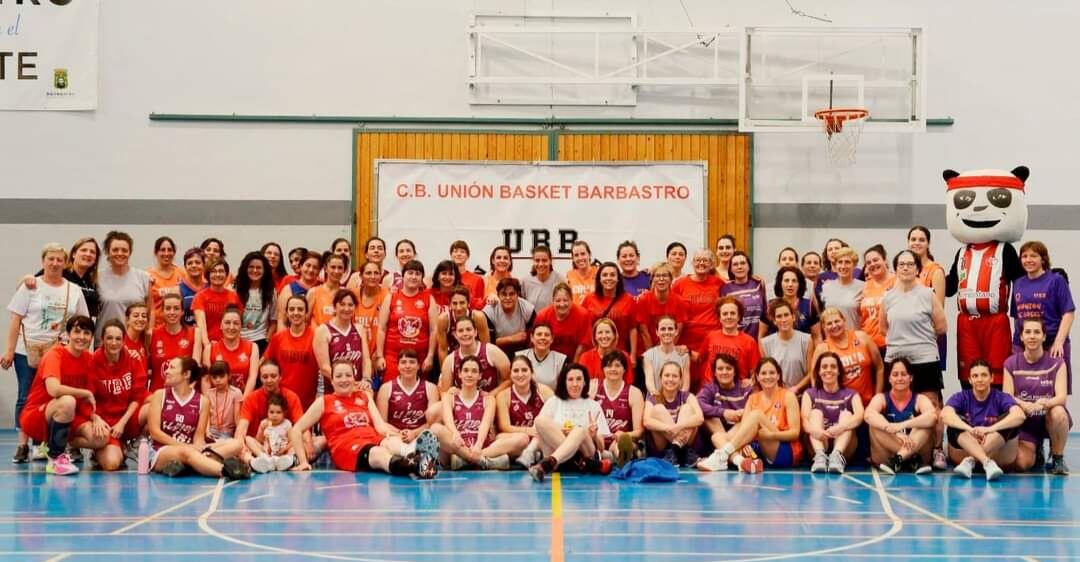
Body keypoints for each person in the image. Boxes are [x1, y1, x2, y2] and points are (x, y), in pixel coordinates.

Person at [4, 243, 90, 462]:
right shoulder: (30, 286)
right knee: (25, 396)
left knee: (56, 397)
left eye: (59, 259)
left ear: (65, 263)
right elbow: (15, 319)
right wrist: (9, 351)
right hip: (27, 351)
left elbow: (83, 321)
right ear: (43, 261)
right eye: (50, 259)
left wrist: (81, 351)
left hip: (58, 352)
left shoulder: (73, 290)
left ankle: (45, 444)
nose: (54, 263)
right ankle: (23, 445)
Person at [290, 360, 439, 477]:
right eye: (339, 376)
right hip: (347, 447)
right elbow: (296, 430)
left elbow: (380, 426)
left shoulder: (364, 396)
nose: (344, 379)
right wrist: (303, 461)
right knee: (378, 453)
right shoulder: (324, 401)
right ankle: (415, 466)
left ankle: (414, 453)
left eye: (348, 375)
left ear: (354, 378)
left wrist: (397, 434)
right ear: (332, 381)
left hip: (372, 437)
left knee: (390, 442)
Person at [880, 249, 948, 469]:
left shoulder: (927, 294)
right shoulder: (888, 297)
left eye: (910, 264)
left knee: (932, 407)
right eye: (901, 264)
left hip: (924, 358)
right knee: (896, 406)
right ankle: (906, 452)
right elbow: (883, 328)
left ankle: (937, 450)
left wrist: (919, 340)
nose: (906, 268)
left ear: (918, 268)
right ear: (896, 268)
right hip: (896, 358)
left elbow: (941, 326)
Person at [143, 357, 249, 479]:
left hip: (191, 449)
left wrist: (198, 447)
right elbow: (155, 433)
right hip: (162, 450)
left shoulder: (203, 401)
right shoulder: (159, 395)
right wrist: (185, 446)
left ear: (186, 374)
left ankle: (189, 465)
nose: (166, 371)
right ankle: (226, 471)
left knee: (237, 444)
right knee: (186, 452)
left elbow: (198, 438)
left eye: (172, 368)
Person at [705, 358, 802, 473]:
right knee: (717, 437)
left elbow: (795, 433)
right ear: (757, 377)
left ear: (778, 376)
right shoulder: (753, 398)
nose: (768, 376)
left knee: (756, 415)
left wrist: (771, 435)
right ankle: (740, 461)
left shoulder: (788, 396)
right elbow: (744, 431)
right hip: (758, 449)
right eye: (763, 373)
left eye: (772, 373)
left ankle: (722, 455)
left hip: (783, 449)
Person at [433, 355, 527, 470]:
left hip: (482, 446)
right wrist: (455, 434)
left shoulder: (488, 399)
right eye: (466, 370)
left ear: (480, 376)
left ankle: (470, 459)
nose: (469, 374)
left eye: (474, 371)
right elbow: (448, 421)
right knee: (435, 428)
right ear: (459, 374)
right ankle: (483, 461)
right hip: (458, 446)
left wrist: (478, 445)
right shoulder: (449, 397)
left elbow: (485, 424)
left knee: (523, 438)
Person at [1003, 318, 1070, 474]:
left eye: (1036, 332)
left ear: (1044, 336)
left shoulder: (1057, 363)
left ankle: (1058, 458)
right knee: (1021, 464)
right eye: (1027, 332)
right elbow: (1007, 396)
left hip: (1047, 418)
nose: (1032, 336)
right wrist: (1024, 405)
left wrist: (1043, 404)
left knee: (1059, 413)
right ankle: (1035, 448)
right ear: (1021, 337)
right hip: (1026, 423)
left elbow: (1062, 397)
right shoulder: (1010, 363)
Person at [941, 360, 1026, 480]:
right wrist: (970, 430)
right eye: (975, 376)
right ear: (970, 380)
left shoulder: (1001, 397)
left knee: (1010, 420)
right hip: (971, 446)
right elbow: (945, 415)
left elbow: (1020, 415)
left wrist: (989, 429)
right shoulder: (961, 397)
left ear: (992, 378)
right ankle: (987, 462)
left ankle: (970, 461)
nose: (979, 379)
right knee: (955, 422)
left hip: (995, 451)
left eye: (984, 375)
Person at [528, 363, 612, 482]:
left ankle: (548, 464)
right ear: (564, 382)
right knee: (539, 420)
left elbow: (601, 447)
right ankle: (580, 462)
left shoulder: (594, 405)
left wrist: (594, 435)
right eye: (570, 379)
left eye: (579, 379)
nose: (575, 384)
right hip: (559, 452)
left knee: (579, 430)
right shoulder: (553, 402)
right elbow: (538, 432)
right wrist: (562, 430)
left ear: (585, 382)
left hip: (586, 451)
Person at [1010, 241, 1075, 392]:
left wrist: (1058, 342)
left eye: (1033, 256)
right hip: (1024, 346)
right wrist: (1018, 344)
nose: (1028, 260)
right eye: (1024, 256)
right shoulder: (1018, 283)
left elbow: (1068, 313)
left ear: (1043, 259)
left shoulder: (1056, 280)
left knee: (1055, 393)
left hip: (1052, 344)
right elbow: (1016, 316)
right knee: (1023, 391)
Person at [89, 319, 147, 471]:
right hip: (106, 423)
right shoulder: (93, 362)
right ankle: (117, 449)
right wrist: (95, 418)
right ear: (102, 339)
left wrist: (122, 422)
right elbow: (87, 399)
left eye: (118, 338)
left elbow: (137, 397)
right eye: (109, 338)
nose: (114, 343)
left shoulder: (133, 359)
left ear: (123, 340)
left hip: (127, 419)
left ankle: (136, 444)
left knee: (155, 404)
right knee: (111, 464)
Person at [865, 358, 937, 475]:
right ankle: (909, 456)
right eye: (895, 375)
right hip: (889, 457)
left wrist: (902, 425)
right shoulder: (881, 398)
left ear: (911, 378)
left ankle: (899, 458)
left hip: (913, 456)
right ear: (889, 378)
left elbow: (932, 416)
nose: (899, 378)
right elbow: (868, 415)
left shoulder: (919, 399)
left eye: (904, 374)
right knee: (875, 425)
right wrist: (894, 431)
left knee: (926, 424)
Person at [235, 360, 312, 465]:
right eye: (265, 377)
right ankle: (254, 463)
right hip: (260, 449)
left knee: (317, 441)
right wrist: (241, 444)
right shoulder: (251, 398)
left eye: (273, 376)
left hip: (285, 448)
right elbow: (242, 428)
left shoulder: (291, 397)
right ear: (260, 378)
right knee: (240, 444)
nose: (269, 380)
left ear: (280, 377)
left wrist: (308, 443)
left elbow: (303, 426)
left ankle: (288, 461)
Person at [376, 260, 438, 383]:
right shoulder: (391, 297)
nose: (414, 277)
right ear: (403, 275)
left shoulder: (428, 299)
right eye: (410, 273)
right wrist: (379, 356)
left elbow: (434, 330)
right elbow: (381, 328)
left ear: (422, 278)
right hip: (393, 357)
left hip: (419, 358)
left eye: (417, 274)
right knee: (391, 390)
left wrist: (430, 356)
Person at [802, 352, 864, 474]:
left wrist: (841, 427)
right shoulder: (810, 393)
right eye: (824, 367)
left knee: (847, 415)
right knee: (815, 413)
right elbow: (804, 420)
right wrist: (814, 431)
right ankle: (820, 457)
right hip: (818, 442)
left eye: (833, 366)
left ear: (839, 371)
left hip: (844, 446)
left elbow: (860, 416)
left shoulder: (851, 394)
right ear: (819, 372)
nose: (828, 370)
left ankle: (836, 456)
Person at [814, 307, 884, 408]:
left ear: (844, 320)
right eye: (829, 323)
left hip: (869, 403)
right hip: (841, 406)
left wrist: (877, 398)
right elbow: (815, 378)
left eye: (837, 321)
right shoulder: (822, 348)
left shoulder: (862, 337)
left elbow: (880, 367)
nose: (834, 326)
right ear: (824, 327)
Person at [377, 349, 442, 455]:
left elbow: (432, 422)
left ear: (418, 366)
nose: (407, 366)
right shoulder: (386, 388)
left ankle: (412, 454)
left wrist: (414, 433)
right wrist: (399, 433)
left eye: (412, 362)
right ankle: (409, 454)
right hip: (395, 436)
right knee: (388, 442)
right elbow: (382, 422)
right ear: (398, 366)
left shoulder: (430, 388)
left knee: (431, 435)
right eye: (403, 362)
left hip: (420, 436)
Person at [695, 354, 754, 471]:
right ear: (715, 373)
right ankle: (737, 459)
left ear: (735, 372)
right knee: (709, 417)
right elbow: (697, 403)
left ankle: (722, 454)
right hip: (719, 432)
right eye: (720, 369)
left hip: (739, 435)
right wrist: (724, 412)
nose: (724, 372)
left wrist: (743, 413)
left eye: (728, 368)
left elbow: (756, 410)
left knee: (748, 418)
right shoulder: (711, 388)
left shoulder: (745, 388)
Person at [495, 355, 554, 467]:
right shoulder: (503, 396)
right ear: (510, 374)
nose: (520, 374)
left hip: (540, 439)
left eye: (524, 370)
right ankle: (531, 454)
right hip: (519, 439)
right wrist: (528, 431)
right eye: (516, 371)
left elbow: (556, 416)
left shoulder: (544, 391)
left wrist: (536, 432)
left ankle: (526, 453)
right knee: (503, 438)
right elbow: (504, 426)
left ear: (532, 372)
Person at [263, 296, 320, 409]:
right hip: (280, 401)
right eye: (292, 309)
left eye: (300, 309)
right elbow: (265, 363)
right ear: (287, 313)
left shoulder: (316, 337)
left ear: (306, 313)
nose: (296, 313)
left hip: (307, 402)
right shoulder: (278, 337)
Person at [644, 361, 704, 467]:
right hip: (663, 448)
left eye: (675, 376)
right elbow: (647, 422)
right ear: (661, 378)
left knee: (687, 409)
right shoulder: (653, 398)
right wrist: (669, 428)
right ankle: (677, 451)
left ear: (680, 380)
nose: (670, 379)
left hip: (687, 445)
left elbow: (700, 418)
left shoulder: (688, 396)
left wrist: (679, 426)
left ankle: (676, 448)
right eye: (667, 375)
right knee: (658, 409)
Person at [96, 231, 152, 341]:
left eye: (124, 250)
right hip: (105, 342)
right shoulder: (97, 278)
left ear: (130, 252)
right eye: (115, 250)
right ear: (108, 251)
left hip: (135, 343)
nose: (120, 253)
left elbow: (151, 310)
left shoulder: (143, 277)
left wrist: (149, 334)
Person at [695, 297, 760, 390]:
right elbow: (699, 358)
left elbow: (756, 372)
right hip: (710, 390)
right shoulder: (711, 336)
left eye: (732, 313)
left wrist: (751, 381)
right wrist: (686, 350)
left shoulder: (749, 342)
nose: (729, 317)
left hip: (736, 391)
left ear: (739, 317)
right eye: (725, 314)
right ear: (720, 318)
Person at [314, 289, 373, 390]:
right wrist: (346, 382)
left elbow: (366, 360)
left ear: (355, 307)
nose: (346, 308)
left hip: (356, 388)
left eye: (350, 305)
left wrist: (366, 379)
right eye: (342, 304)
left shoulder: (359, 329)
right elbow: (324, 367)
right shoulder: (323, 330)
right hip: (333, 390)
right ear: (335, 306)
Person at [590, 351, 644, 461]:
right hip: (596, 440)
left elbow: (639, 431)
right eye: (609, 366)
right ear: (603, 369)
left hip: (618, 441)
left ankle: (622, 459)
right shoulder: (593, 386)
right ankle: (605, 458)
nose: (613, 369)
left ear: (624, 369)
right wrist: (589, 399)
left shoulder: (634, 392)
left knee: (620, 446)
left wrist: (625, 435)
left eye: (617, 365)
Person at [907, 226, 947, 369]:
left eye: (921, 240)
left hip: (929, 336)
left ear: (928, 243)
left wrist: (927, 337)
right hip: (908, 336)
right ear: (908, 242)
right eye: (913, 239)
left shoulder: (936, 271)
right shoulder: (904, 270)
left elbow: (939, 310)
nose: (917, 243)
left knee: (930, 380)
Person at [439, 315, 510, 394]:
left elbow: (509, 380)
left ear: (475, 332)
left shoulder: (491, 351)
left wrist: (491, 395)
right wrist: (450, 393)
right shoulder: (450, 360)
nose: (465, 333)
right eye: (461, 331)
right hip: (463, 401)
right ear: (455, 335)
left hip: (491, 399)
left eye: (468, 329)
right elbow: (444, 392)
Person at [672, 249, 724, 354]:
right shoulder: (679, 284)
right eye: (698, 260)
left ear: (711, 264)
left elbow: (734, 288)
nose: (701, 263)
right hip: (687, 342)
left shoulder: (719, 283)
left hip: (713, 340)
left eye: (705, 260)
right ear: (692, 263)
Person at [582, 262, 638, 357]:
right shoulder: (589, 299)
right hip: (594, 354)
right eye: (604, 275)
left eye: (612, 275)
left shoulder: (628, 299)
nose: (608, 278)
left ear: (618, 279)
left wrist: (633, 355)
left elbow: (632, 329)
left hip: (620, 355)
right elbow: (583, 328)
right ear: (599, 279)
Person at [202, 306, 259, 395]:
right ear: (221, 325)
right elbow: (206, 380)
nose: (231, 327)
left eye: (236, 323)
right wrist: (210, 401)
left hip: (243, 398)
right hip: (217, 400)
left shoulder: (252, 347)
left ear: (241, 326)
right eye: (227, 323)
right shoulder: (210, 349)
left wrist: (243, 400)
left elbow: (252, 378)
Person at [759, 299, 813, 394]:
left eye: (786, 315)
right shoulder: (765, 343)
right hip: (776, 395)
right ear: (774, 321)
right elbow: (766, 374)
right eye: (779, 316)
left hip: (801, 394)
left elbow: (811, 373)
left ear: (793, 317)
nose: (783, 320)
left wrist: (796, 388)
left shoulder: (807, 340)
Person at [148, 294, 196, 395]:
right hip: (157, 395)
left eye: (176, 308)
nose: (172, 312)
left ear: (182, 312)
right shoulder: (151, 334)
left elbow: (196, 370)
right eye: (168, 308)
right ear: (162, 311)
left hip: (183, 396)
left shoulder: (195, 333)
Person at [635, 263, 686, 352]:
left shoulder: (679, 301)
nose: (661, 279)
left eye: (665, 276)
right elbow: (644, 332)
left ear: (671, 279)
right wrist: (652, 354)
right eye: (657, 276)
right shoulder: (644, 299)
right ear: (653, 279)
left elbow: (678, 332)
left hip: (670, 349)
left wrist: (665, 351)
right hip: (647, 349)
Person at [534, 282, 590, 361]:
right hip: (548, 359)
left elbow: (583, 345)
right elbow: (536, 342)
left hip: (573, 359)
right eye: (558, 301)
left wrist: (574, 366)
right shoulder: (543, 316)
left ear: (571, 300)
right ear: (552, 301)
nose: (562, 304)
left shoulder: (583, 315)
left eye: (565, 300)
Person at [192, 260, 242, 348]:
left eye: (221, 271)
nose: (218, 274)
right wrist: (208, 346)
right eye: (214, 271)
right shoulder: (200, 297)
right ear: (208, 275)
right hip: (208, 345)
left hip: (230, 345)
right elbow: (201, 327)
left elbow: (237, 325)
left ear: (226, 274)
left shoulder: (234, 297)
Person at [435, 286, 491, 365]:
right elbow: (442, 349)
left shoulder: (478, 317)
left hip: (476, 358)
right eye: (455, 303)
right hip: (454, 358)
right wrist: (444, 370)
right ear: (450, 304)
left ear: (468, 303)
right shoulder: (443, 320)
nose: (458, 308)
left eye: (462, 303)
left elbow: (486, 347)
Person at [483, 277, 536, 356]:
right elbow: (488, 343)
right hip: (496, 352)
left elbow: (532, 338)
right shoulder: (489, 311)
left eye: (512, 294)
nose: (508, 298)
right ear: (498, 295)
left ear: (518, 294)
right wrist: (512, 338)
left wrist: (501, 340)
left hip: (522, 351)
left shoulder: (528, 309)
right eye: (504, 294)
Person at [236, 251, 276, 353]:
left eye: (258, 268)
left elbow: (273, 321)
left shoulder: (271, 292)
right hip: (237, 339)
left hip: (260, 340)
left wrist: (267, 339)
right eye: (251, 267)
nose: (254, 270)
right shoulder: (235, 289)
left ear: (264, 270)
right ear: (245, 268)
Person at [720, 251, 766, 339]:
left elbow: (765, 314)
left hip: (757, 340)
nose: (739, 267)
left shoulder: (759, 284)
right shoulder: (725, 288)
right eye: (735, 264)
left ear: (749, 266)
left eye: (743, 263)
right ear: (730, 269)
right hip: (735, 340)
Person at [859, 245, 895, 356]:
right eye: (868, 262)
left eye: (875, 260)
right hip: (868, 344)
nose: (872, 264)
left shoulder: (897, 281)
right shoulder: (864, 287)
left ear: (885, 260)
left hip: (891, 344)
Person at [246, 394, 297, 473]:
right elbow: (259, 440)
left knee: (294, 447)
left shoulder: (287, 424)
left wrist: (284, 450)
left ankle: (286, 460)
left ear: (284, 413)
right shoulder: (264, 423)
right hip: (267, 452)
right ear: (267, 412)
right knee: (248, 439)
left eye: (278, 412)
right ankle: (264, 458)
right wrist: (262, 429)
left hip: (282, 453)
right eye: (271, 412)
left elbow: (292, 441)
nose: (274, 415)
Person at [642, 315, 690, 395]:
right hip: (655, 397)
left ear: (676, 331)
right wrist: (657, 397)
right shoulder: (648, 356)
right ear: (657, 332)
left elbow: (686, 385)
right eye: (663, 329)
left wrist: (679, 399)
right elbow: (649, 383)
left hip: (678, 399)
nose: (667, 332)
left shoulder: (684, 355)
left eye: (670, 329)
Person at [818, 246, 864, 330]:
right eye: (840, 262)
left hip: (854, 335)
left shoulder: (863, 287)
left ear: (854, 265)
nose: (843, 266)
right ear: (835, 265)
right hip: (832, 336)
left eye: (847, 262)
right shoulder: (826, 287)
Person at [578, 318, 634, 386]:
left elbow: (628, 384)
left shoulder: (624, 357)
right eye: (600, 332)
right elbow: (582, 384)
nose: (604, 336)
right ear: (595, 336)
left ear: (614, 335)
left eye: (607, 332)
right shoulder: (585, 357)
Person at [275, 251, 322, 331]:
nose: (311, 270)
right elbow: (282, 321)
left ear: (319, 270)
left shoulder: (322, 287)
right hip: (295, 334)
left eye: (315, 267)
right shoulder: (288, 289)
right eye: (308, 265)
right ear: (300, 266)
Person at [768, 266, 819, 338]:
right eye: (786, 280)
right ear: (780, 283)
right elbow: (761, 336)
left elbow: (817, 336)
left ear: (799, 284)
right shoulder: (770, 306)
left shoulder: (809, 306)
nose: (790, 284)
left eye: (794, 281)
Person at [355, 260, 390, 358]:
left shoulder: (387, 296)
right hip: (355, 352)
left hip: (379, 353)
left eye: (376, 273)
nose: (373, 276)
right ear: (361, 276)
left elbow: (389, 328)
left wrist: (378, 353)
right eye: (368, 273)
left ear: (381, 275)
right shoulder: (353, 295)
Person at [516, 323, 566, 389]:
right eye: (539, 334)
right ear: (532, 338)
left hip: (550, 395)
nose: (543, 337)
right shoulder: (519, 356)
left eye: (547, 335)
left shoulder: (561, 360)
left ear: (552, 339)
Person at [204, 360, 242, 443]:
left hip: (227, 433)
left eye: (221, 376)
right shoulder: (209, 393)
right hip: (211, 431)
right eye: (214, 377)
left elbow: (237, 418)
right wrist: (207, 431)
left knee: (227, 444)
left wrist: (239, 436)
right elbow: (206, 416)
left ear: (229, 376)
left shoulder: (236, 393)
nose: (218, 380)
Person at [147, 237, 181, 330]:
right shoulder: (148, 275)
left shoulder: (182, 273)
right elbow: (147, 306)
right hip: (156, 328)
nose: (166, 253)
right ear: (156, 253)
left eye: (169, 250)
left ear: (174, 252)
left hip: (178, 329)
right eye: (162, 250)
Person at [307, 253, 349, 327]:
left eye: (340, 268)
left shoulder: (347, 294)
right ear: (326, 268)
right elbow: (305, 321)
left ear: (344, 270)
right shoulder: (313, 292)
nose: (336, 271)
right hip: (318, 334)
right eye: (333, 267)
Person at [521, 245, 565, 310]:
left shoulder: (560, 280)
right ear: (533, 261)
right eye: (537, 260)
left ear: (550, 261)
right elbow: (522, 307)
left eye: (544, 260)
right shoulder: (525, 281)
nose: (541, 264)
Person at [448, 240, 487, 310]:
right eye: (455, 251)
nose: (458, 254)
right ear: (451, 255)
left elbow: (480, 306)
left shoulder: (477, 279)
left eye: (462, 251)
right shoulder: (446, 278)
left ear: (467, 256)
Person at [178, 248, 207, 327]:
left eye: (197, 262)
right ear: (185, 267)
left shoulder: (210, 287)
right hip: (186, 332)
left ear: (204, 265)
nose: (194, 265)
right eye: (190, 263)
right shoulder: (179, 289)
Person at [566, 240, 598, 305]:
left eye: (583, 254)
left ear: (589, 254)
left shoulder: (599, 272)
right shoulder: (569, 275)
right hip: (576, 311)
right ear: (573, 258)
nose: (580, 258)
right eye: (576, 255)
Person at [122, 303, 151, 371]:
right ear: (127, 320)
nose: (140, 319)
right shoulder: (120, 341)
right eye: (136, 316)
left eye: (144, 316)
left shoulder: (147, 341)